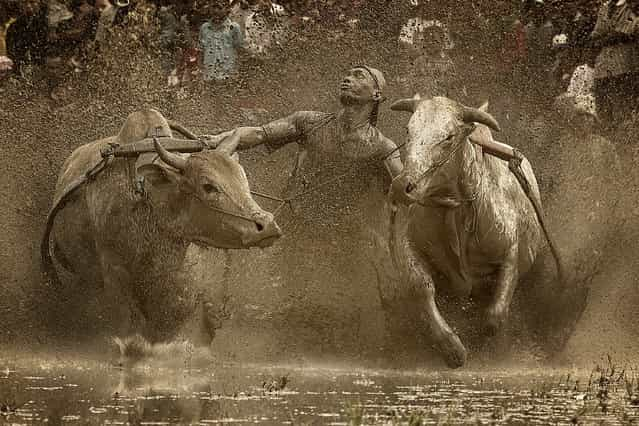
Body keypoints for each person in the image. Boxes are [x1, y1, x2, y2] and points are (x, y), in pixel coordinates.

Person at [210, 66, 403, 356]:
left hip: (344, 237)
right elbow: (260, 134)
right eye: (347, 73)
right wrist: (230, 140)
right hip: (295, 225)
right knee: (281, 296)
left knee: (342, 309)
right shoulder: (308, 122)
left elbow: (405, 189)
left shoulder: (382, 147)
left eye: (359, 75)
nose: (347, 77)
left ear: (377, 95)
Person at [198, 3, 243, 81]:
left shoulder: (233, 28)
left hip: (228, 74)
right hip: (209, 75)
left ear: (227, 9)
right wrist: (201, 71)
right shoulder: (205, 28)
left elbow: (239, 51)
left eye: (219, 8)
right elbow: (201, 51)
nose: (216, 11)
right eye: (213, 7)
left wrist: (236, 72)